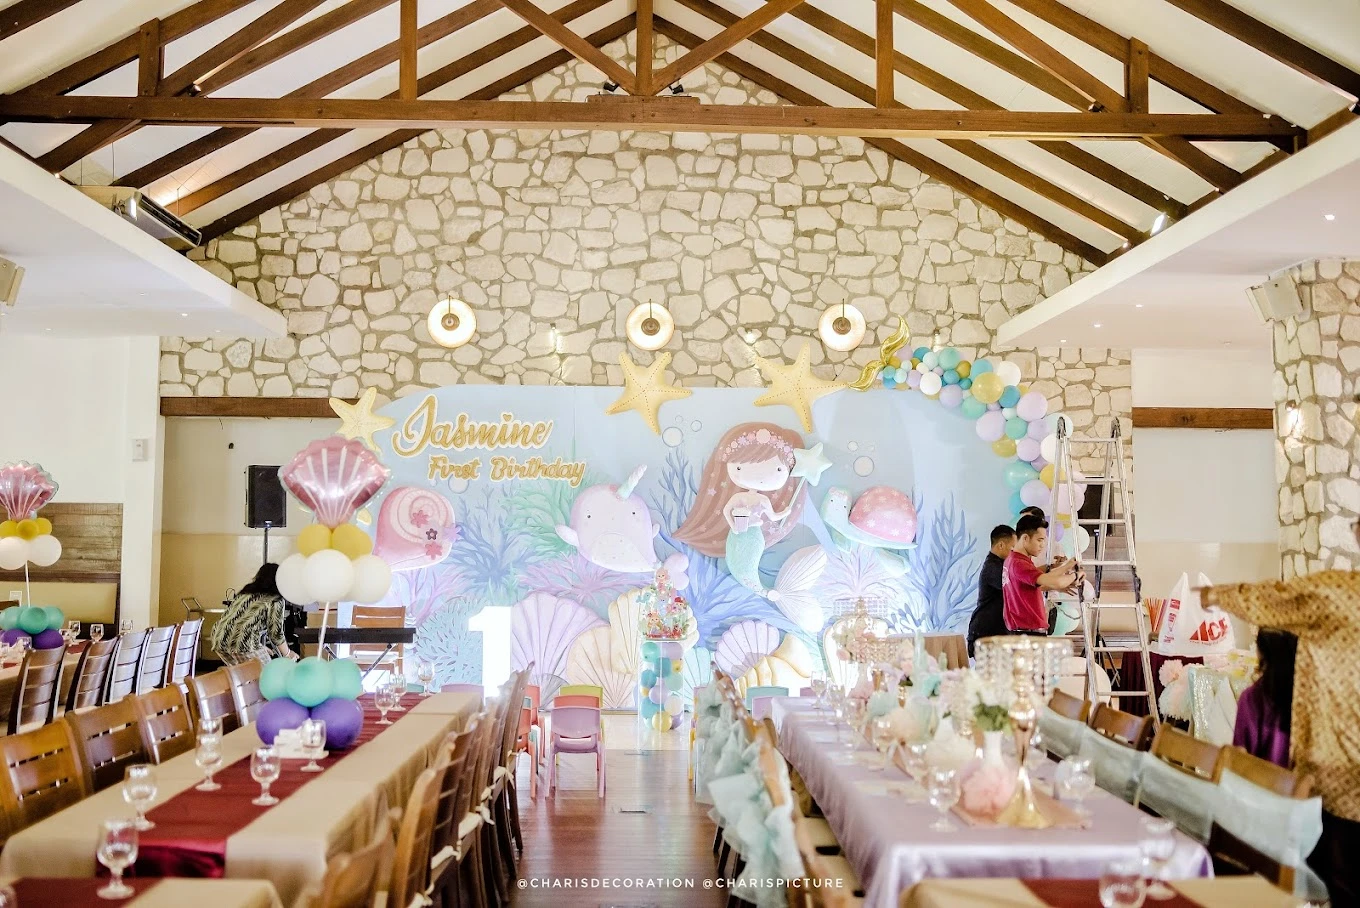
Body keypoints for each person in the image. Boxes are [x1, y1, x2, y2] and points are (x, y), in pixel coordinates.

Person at [1201, 518, 1360, 904]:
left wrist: (1214, 595)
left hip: (1342, 781)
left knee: (1341, 882)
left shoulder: (1341, 594)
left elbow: (1276, 598)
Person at [1002, 514, 1077, 635]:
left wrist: (1065, 566)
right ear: (1025, 538)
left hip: (1024, 632)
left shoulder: (1015, 559)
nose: (1042, 545)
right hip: (1027, 634)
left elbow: (1044, 580)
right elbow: (1056, 582)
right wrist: (1076, 575)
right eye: (1039, 540)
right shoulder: (1019, 563)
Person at [1232, 628, 1296, 768]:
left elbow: (1240, 757)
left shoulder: (1251, 698)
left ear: (1260, 652)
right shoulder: (1309, 695)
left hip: (1259, 779)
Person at [209, 563, 298, 662]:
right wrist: (288, 654)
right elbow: (276, 634)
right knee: (267, 671)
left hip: (219, 638)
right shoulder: (275, 599)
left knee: (240, 672)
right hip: (242, 642)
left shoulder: (245, 593)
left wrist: (259, 647)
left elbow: (239, 623)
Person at [968, 525, 1015, 657]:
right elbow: (1015, 586)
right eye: (1012, 548)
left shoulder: (1000, 565)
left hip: (995, 631)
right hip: (986, 632)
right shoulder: (992, 568)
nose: (1014, 553)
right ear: (1001, 545)